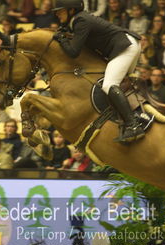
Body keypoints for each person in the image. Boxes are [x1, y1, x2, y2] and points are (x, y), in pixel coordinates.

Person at [52, 0, 145, 143]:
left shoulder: (81, 20)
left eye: (60, 10)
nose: (57, 14)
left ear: (71, 10)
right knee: (113, 83)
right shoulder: (77, 21)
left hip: (124, 47)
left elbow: (73, 52)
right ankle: (134, 115)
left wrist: (62, 40)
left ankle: (133, 124)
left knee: (109, 84)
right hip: (124, 45)